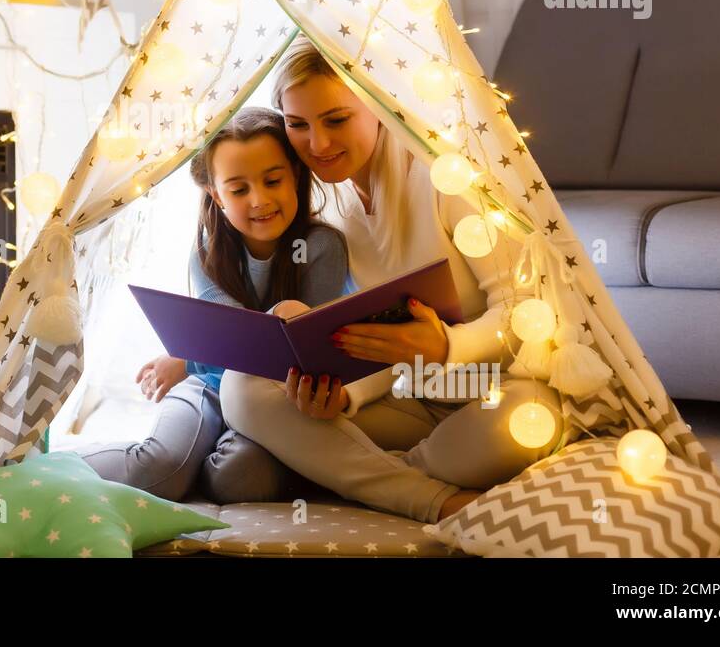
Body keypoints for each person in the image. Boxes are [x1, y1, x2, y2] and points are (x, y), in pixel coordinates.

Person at [220, 37, 562, 524]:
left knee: (513, 431)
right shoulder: (331, 202)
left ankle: (367, 478)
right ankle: (433, 499)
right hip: (409, 394)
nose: (317, 145)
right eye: (297, 125)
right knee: (241, 388)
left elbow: (524, 310)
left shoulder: (446, 176)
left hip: (499, 386)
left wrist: (446, 347)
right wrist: (344, 393)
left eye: (336, 120)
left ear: (379, 106)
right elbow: (381, 338)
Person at [80, 107, 346, 503]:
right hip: (207, 388)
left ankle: (200, 465)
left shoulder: (323, 246)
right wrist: (193, 364)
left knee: (241, 480)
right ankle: (47, 470)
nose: (260, 200)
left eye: (273, 180)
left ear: (295, 175)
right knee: (159, 467)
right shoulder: (208, 249)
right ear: (216, 194)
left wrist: (187, 358)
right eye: (239, 190)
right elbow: (232, 335)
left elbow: (290, 353)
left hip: (273, 405)